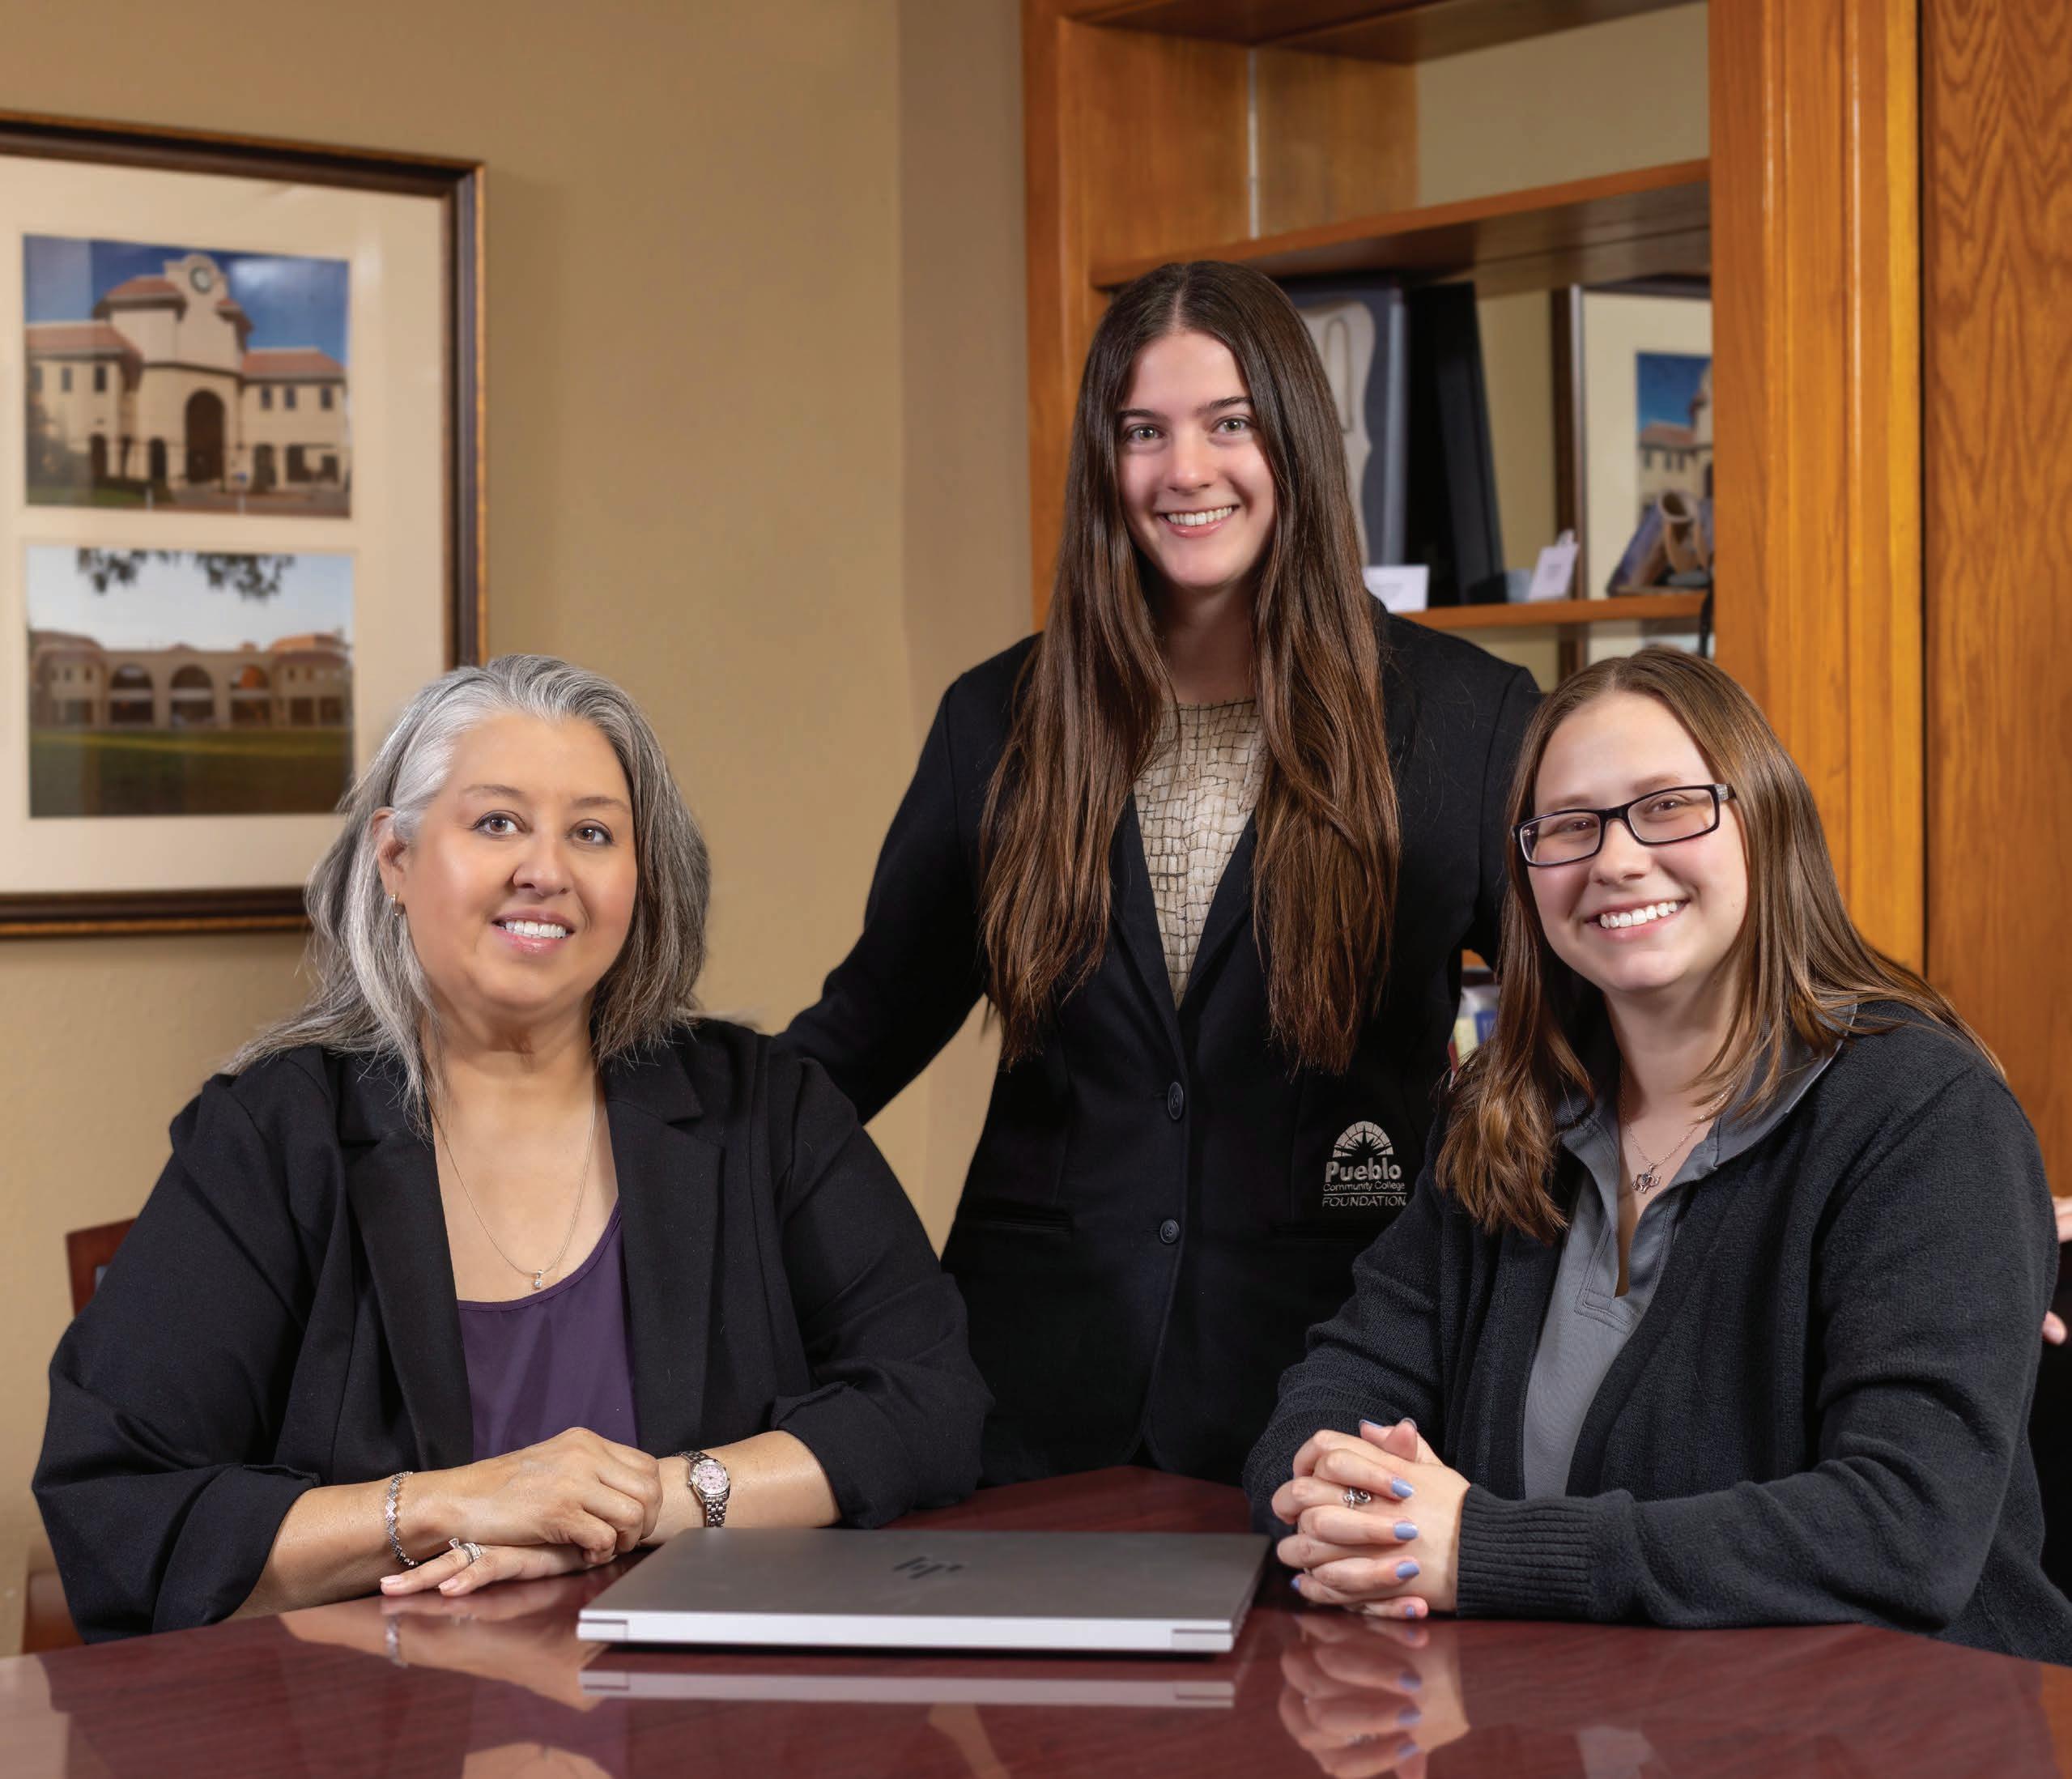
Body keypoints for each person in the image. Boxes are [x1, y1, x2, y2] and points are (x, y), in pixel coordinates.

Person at [35, 655, 987, 1640]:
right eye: (497, 822)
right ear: (395, 857)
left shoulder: (768, 1108)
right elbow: (120, 1509)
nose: (546, 870)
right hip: (377, 1712)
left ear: (641, 877)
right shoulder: (271, 1139)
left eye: (592, 832)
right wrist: (452, 1503)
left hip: (707, 1704)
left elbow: (930, 1401)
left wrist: (650, 1502)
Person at [782, 260, 1538, 1487]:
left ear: (1294, 437)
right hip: (1023, 1398)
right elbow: (861, 1034)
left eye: (1228, 423)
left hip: (1336, 1389)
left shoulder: (1468, 717)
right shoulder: (998, 718)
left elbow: (1579, 1020)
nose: (1185, 470)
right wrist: (633, 1146)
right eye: (1143, 432)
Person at [1248, 646, 2072, 1664]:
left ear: (1765, 819)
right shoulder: (1503, 1114)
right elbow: (1334, 1388)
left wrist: (1484, 1548)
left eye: (1669, 806)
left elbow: (1907, 1530)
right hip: (1573, 1709)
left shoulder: (1925, 1116)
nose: (1617, 859)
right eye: (1569, 826)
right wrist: (1345, 1506)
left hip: (1898, 1718)